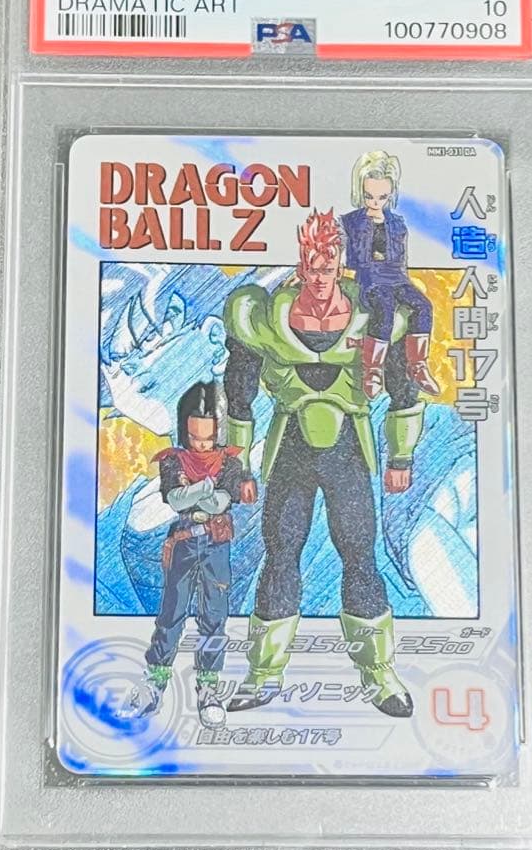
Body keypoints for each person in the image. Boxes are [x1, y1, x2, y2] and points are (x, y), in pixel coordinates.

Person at [223, 210, 426, 717]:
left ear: (340, 264)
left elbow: (403, 388)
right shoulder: (262, 316)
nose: (319, 276)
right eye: (312, 266)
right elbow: (239, 393)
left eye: (328, 265)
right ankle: (263, 673)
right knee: (280, 555)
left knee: (359, 556)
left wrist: (401, 454)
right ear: (302, 264)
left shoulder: (376, 312)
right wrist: (238, 465)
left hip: (348, 451)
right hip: (290, 450)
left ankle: (379, 673)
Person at [135, 381, 242, 728]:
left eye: (208, 438)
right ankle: (155, 682)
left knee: (214, 615)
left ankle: (208, 688)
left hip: (216, 545)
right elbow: (175, 499)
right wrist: (205, 489)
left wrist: (198, 492)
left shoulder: (230, 461)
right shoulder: (173, 460)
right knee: (171, 613)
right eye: (195, 437)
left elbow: (221, 502)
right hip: (183, 541)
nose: (202, 444)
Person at [341, 150, 439, 399]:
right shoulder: (349, 222)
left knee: (423, 306)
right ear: (360, 191)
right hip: (369, 279)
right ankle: (373, 370)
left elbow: (402, 260)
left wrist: (405, 282)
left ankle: (418, 365)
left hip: (396, 277)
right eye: (369, 196)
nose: (375, 202)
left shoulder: (397, 223)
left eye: (382, 197)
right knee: (384, 306)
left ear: (391, 194)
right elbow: (334, 249)